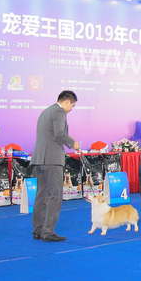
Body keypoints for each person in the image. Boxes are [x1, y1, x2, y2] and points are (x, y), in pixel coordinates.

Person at [31, 90, 81, 242]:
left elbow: (51, 134)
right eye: (72, 106)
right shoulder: (59, 112)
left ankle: (39, 229)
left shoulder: (46, 111)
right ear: (67, 102)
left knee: (41, 195)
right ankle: (48, 231)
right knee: (56, 195)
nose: (71, 109)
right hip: (52, 159)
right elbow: (59, 133)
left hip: (40, 158)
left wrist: (66, 137)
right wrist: (72, 143)